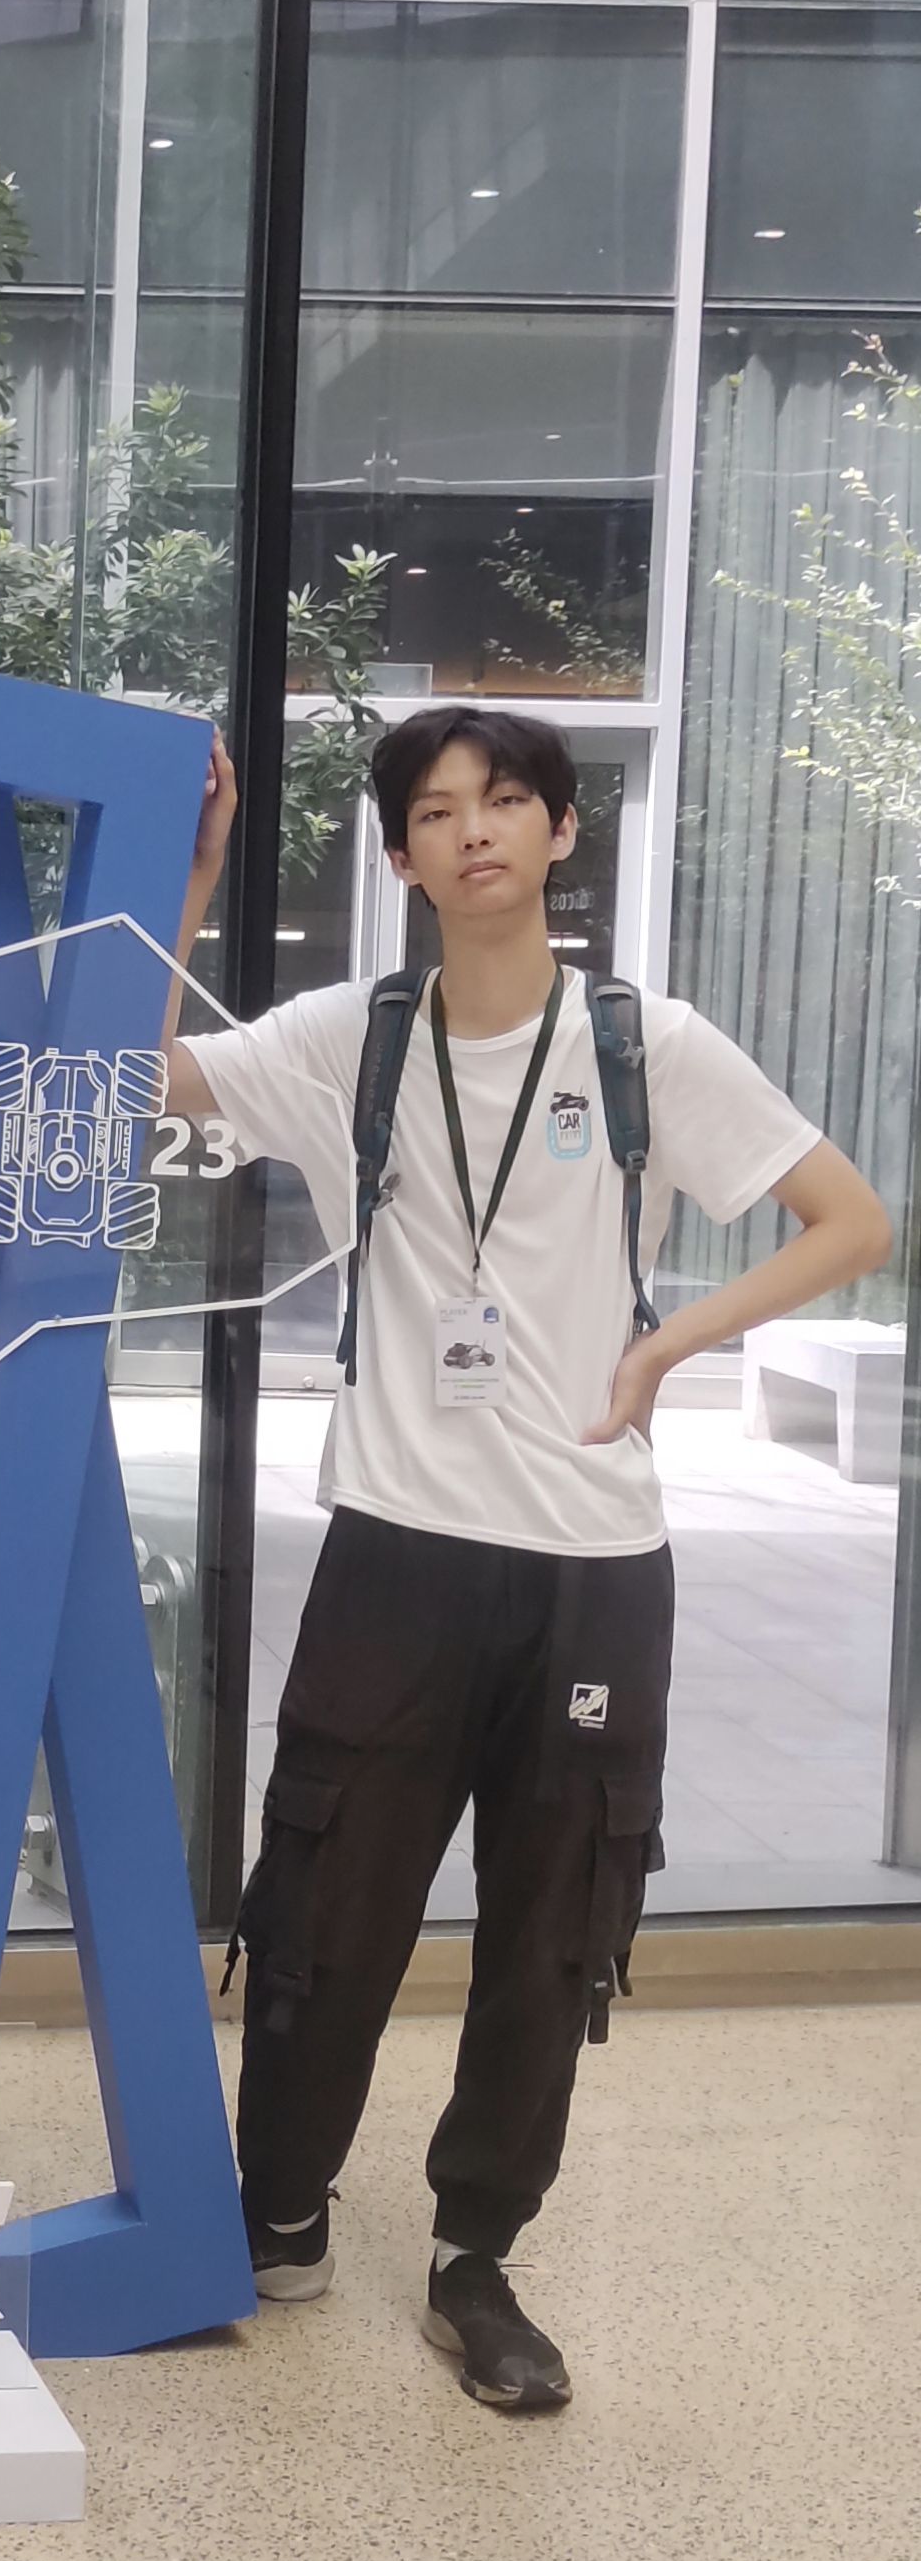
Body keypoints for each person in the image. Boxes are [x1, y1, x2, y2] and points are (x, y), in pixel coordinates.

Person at [172, 706, 891, 2411]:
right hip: (398, 1543)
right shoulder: (353, 1035)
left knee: (553, 1926)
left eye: (507, 800)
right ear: (400, 854)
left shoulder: (643, 1041)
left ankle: (475, 2258)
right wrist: (192, 882)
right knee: (326, 1896)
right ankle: (280, 2207)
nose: (475, 828)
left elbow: (854, 1220)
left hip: (592, 1558)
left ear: (562, 831)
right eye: (436, 809)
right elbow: (145, 1074)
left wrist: (667, 1346)